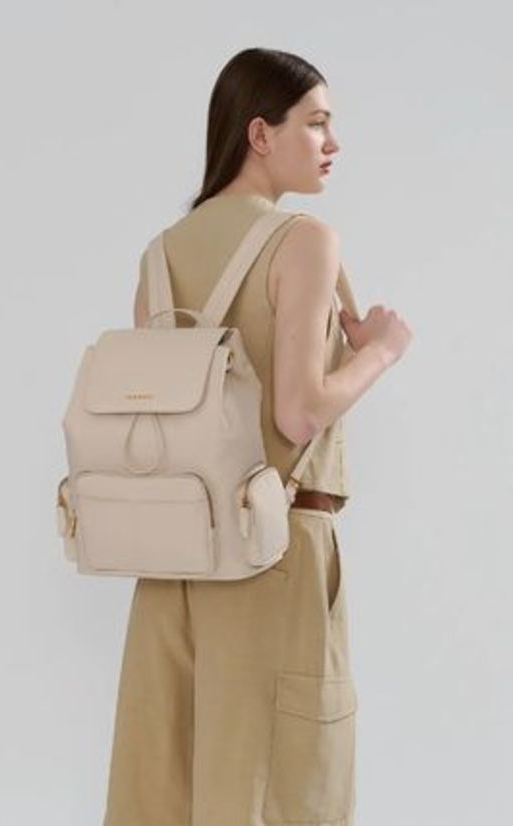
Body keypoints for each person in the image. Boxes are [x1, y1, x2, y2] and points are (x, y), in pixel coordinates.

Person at [102, 47, 412, 826]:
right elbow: (299, 415)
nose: (333, 143)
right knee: (283, 792)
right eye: (316, 123)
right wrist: (379, 350)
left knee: (167, 795)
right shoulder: (303, 239)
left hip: (173, 560)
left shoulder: (160, 255)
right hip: (272, 555)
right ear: (260, 134)